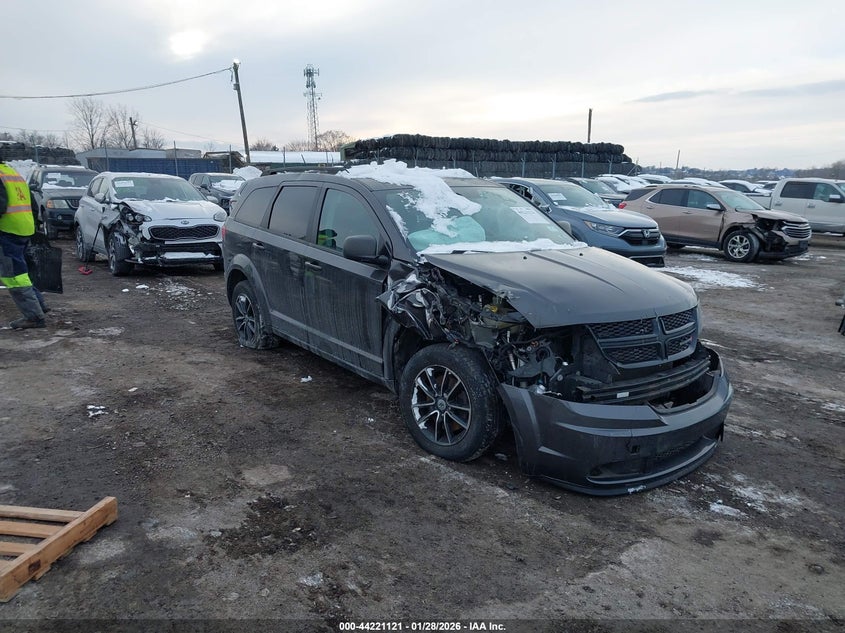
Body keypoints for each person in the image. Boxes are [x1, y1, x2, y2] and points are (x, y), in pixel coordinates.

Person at [0, 162, 48, 329]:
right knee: (21, 272)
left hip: (7, 230)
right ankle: (39, 305)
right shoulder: (11, 172)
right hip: (23, 228)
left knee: (14, 276)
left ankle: (34, 316)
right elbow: (33, 204)